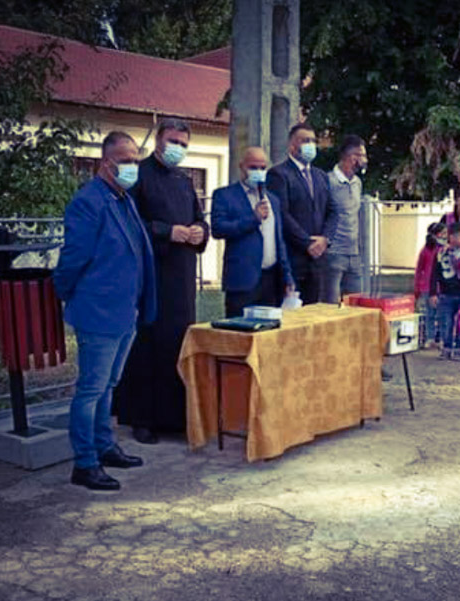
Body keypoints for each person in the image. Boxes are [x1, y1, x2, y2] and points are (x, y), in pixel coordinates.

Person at [53, 131, 155, 491]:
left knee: (109, 385)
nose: (132, 166)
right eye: (125, 160)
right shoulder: (89, 201)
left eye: (135, 160)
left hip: (125, 310)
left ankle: (105, 446)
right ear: (105, 163)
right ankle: (85, 463)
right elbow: (73, 258)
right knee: (91, 389)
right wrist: (67, 293)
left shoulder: (123, 199)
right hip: (98, 311)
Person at [114, 119, 208, 446]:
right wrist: (168, 231)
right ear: (158, 140)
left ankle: (175, 417)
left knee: (178, 344)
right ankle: (143, 418)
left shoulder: (184, 180)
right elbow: (129, 221)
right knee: (148, 345)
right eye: (173, 141)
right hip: (152, 273)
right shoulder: (139, 175)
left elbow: (200, 218)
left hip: (182, 276)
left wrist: (199, 231)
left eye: (183, 143)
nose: (177, 148)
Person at [212, 146, 295, 317]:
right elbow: (218, 229)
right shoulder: (225, 195)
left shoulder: (273, 200)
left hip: (271, 280)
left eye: (263, 168)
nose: (258, 172)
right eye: (253, 167)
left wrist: (287, 276)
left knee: (269, 330)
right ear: (242, 167)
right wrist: (253, 218)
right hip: (242, 280)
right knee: (238, 329)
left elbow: (279, 241)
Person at [267, 123, 331, 304]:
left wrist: (325, 239)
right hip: (293, 259)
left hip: (317, 261)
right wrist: (307, 243)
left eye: (313, 141)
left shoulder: (321, 176)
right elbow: (282, 214)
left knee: (313, 313)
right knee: (290, 314)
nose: (310, 145)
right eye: (305, 141)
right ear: (292, 145)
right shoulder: (279, 174)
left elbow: (332, 211)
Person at [323, 134, 368, 304]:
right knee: (330, 304)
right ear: (348, 156)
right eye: (359, 155)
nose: (363, 160)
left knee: (356, 303)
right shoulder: (328, 181)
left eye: (364, 155)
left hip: (354, 254)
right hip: (333, 253)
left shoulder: (357, 183)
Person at [430, 221, 460, 361]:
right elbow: (434, 274)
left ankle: (459, 348)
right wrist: (433, 293)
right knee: (446, 323)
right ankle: (447, 347)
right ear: (451, 237)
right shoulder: (441, 254)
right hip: (446, 294)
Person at [414, 222, 447, 349]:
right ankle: (430, 337)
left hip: (442, 286)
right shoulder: (426, 250)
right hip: (427, 286)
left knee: (442, 314)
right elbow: (419, 269)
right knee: (430, 314)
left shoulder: (445, 250)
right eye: (442, 233)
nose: (445, 236)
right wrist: (417, 286)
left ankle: (443, 338)